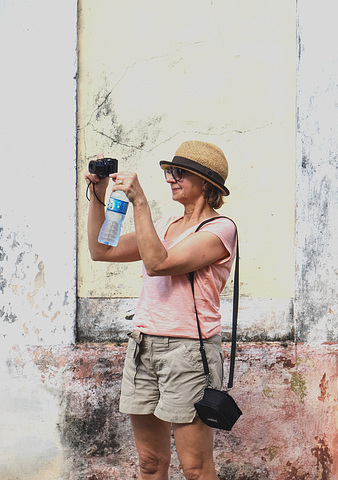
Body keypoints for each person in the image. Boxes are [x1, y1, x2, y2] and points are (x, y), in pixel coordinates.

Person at [85, 140, 236, 480]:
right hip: (143, 347)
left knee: (195, 468)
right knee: (150, 463)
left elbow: (157, 263)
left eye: (180, 173)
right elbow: (101, 250)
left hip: (188, 353)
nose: (171, 178)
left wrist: (139, 200)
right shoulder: (166, 226)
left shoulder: (220, 229)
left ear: (206, 183)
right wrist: (100, 192)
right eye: (170, 172)